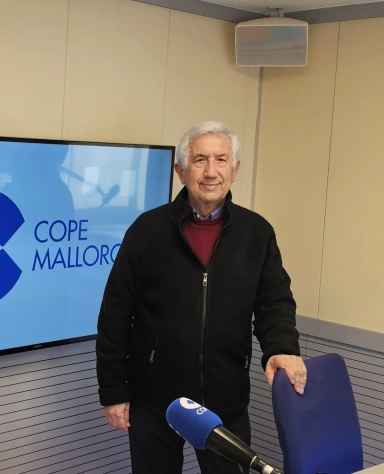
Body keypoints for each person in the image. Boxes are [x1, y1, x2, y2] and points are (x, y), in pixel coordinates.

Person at [95, 121, 307, 473]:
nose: (211, 172)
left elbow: (275, 303)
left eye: (221, 160)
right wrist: (114, 390)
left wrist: (281, 347)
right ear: (181, 171)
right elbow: (115, 315)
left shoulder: (256, 233)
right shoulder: (147, 230)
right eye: (200, 160)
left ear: (235, 170)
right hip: (154, 402)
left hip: (226, 402)